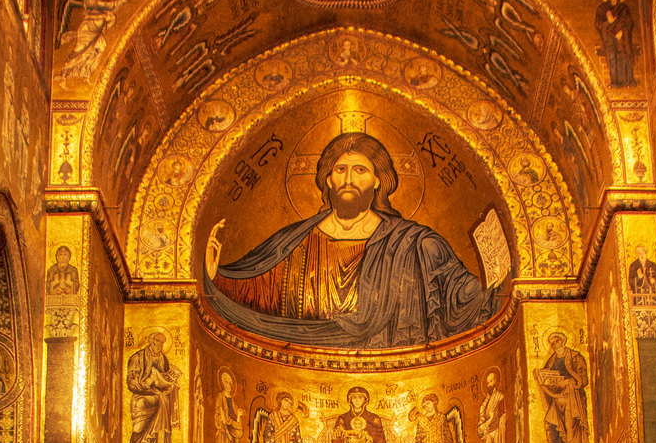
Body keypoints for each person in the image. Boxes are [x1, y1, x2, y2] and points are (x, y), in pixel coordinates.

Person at [204, 132, 507, 350]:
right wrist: (215, 275)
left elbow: (463, 300)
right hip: (303, 367)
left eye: (360, 170)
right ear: (327, 179)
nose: (349, 179)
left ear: (378, 180)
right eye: (340, 170)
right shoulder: (294, 241)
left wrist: (498, 282)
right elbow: (255, 292)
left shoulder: (417, 245)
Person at [127, 331, 180, 443]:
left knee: (161, 429)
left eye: (162, 343)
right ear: (151, 341)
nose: (159, 346)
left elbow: (166, 376)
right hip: (142, 399)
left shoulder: (163, 359)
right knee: (139, 428)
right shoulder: (137, 358)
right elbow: (131, 382)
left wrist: (170, 381)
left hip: (159, 398)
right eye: (157, 342)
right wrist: (147, 383)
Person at [535, 332, 591, 443]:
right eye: (553, 343)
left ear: (563, 342)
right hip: (557, 398)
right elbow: (546, 374)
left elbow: (584, 379)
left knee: (570, 426)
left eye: (557, 341)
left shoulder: (576, 357)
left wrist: (570, 381)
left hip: (572, 398)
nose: (555, 345)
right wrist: (539, 376)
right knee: (551, 423)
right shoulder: (553, 359)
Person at [595, 0, 636, 87]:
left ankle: (627, 81)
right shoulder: (602, 9)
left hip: (622, 38)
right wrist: (608, 22)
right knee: (612, 58)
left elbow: (629, 22)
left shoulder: (624, 8)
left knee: (623, 56)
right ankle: (615, 82)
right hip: (609, 38)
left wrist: (622, 31)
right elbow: (598, 24)